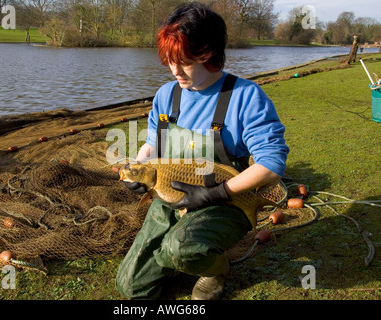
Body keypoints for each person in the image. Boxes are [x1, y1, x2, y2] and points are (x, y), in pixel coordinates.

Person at [115, 1, 289, 300]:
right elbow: (154, 143)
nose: (175, 71)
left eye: (185, 61)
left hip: (226, 200)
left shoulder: (245, 96)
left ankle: (215, 267)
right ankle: (180, 252)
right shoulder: (166, 94)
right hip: (172, 192)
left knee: (180, 248)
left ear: (209, 54)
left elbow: (272, 164)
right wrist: (139, 167)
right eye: (170, 60)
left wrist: (217, 193)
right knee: (131, 288)